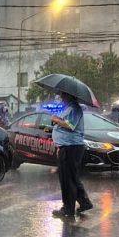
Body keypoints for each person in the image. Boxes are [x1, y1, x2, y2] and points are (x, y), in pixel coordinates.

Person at [50, 92, 94, 221]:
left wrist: (56, 119)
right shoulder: (68, 107)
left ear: (70, 95)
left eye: (64, 95)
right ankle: (85, 203)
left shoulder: (74, 108)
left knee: (67, 179)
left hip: (71, 147)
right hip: (67, 147)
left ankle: (68, 208)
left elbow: (71, 125)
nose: (61, 97)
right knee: (72, 177)